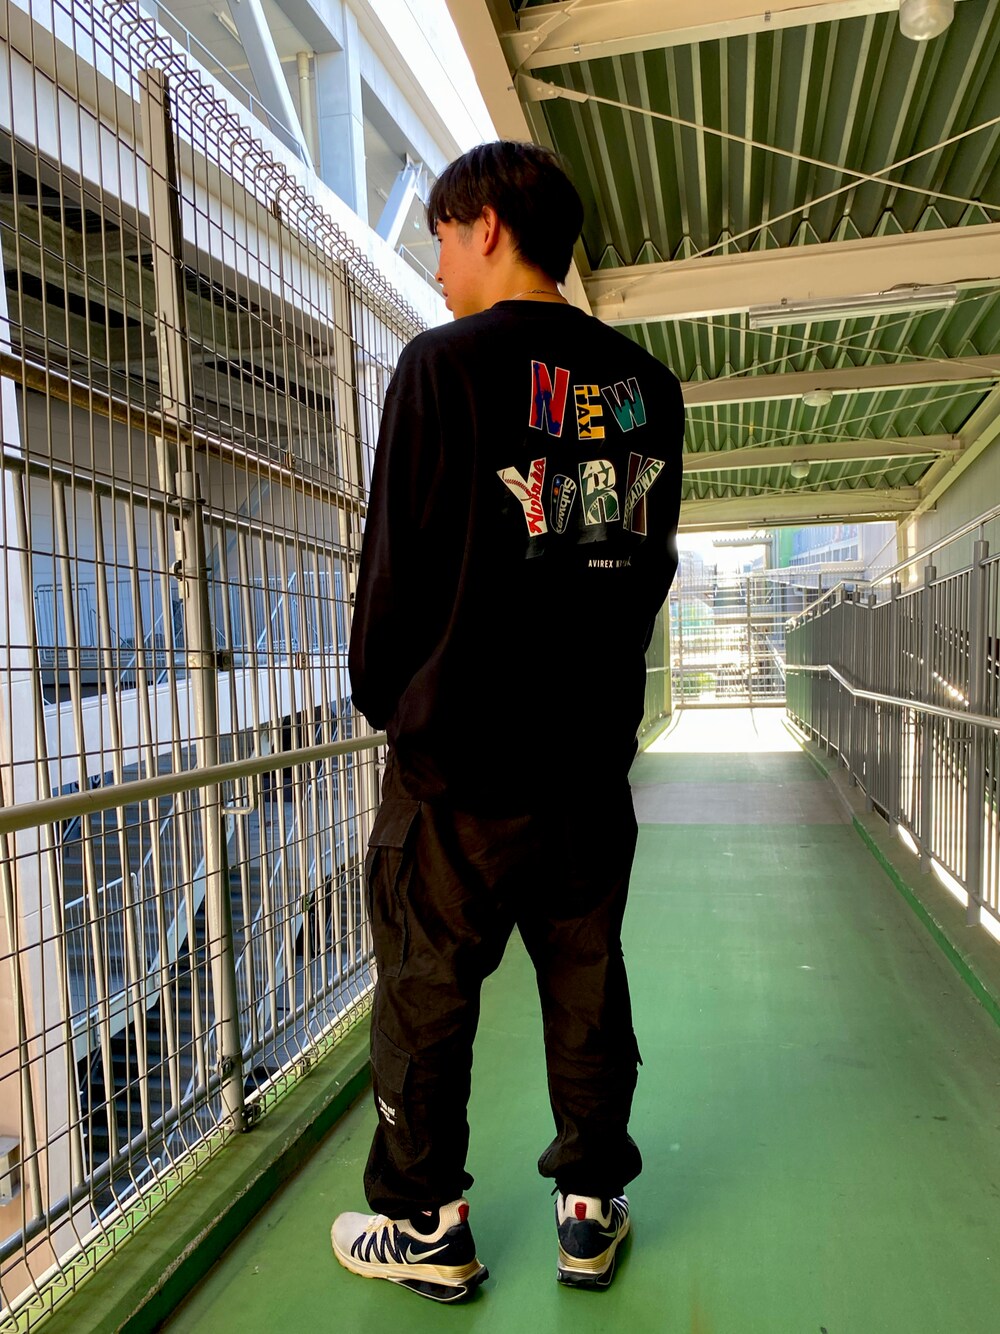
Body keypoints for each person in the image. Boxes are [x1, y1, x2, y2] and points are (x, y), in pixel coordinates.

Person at [332, 140, 684, 1304]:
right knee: (586, 977)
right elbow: (644, 567)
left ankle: (426, 1225)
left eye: (440, 236)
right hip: (584, 764)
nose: (436, 264)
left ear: (486, 224)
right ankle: (590, 1207)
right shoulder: (647, 390)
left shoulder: (442, 366)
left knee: (428, 989)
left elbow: (396, 566)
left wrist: (396, 703)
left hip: (459, 766)